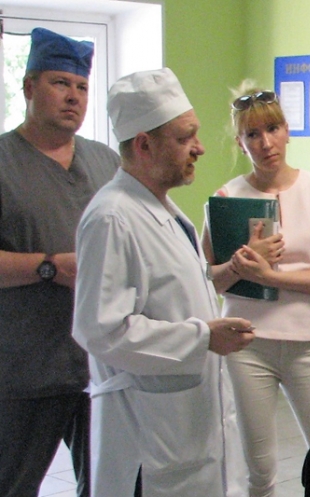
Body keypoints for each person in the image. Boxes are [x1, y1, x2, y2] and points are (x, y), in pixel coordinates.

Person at [72, 68, 253, 497]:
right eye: (185, 137)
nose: (200, 147)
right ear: (144, 145)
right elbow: (100, 330)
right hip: (147, 437)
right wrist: (202, 338)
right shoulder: (113, 218)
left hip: (186, 424)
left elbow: (176, 293)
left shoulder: (164, 212)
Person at [200, 82, 310, 496]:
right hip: (247, 344)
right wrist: (238, 264)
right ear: (240, 142)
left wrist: (270, 276)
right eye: (253, 134)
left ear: (287, 130)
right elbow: (206, 279)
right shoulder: (225, 198)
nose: (266, 143)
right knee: (259, 471)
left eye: (273, 129)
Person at [0, 27, 119, 497]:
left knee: (109, 484)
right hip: (25, 368)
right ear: (29, 87)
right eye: (60, 83)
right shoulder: (4, 162)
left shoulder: (107, 163)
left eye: (82, 87)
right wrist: (48, 266)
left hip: (102, 364)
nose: (74, 97)